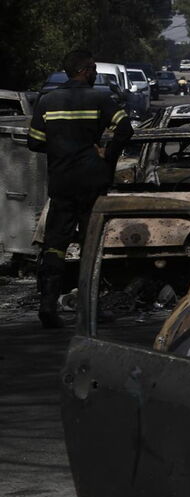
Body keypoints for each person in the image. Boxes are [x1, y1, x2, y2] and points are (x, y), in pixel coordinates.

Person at [27, 49, 134, 328]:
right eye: (94, 69)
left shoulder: (47, 101)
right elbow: (126, 129)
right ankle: (90, 308)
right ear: (85, 70)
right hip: (92, 181)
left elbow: (34, 142)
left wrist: (61, 146)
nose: (96, 73)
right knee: (91, 244)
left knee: (54, 245)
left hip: (62, 182)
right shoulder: (100, 98)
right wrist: (107, 156)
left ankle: (48, 304)